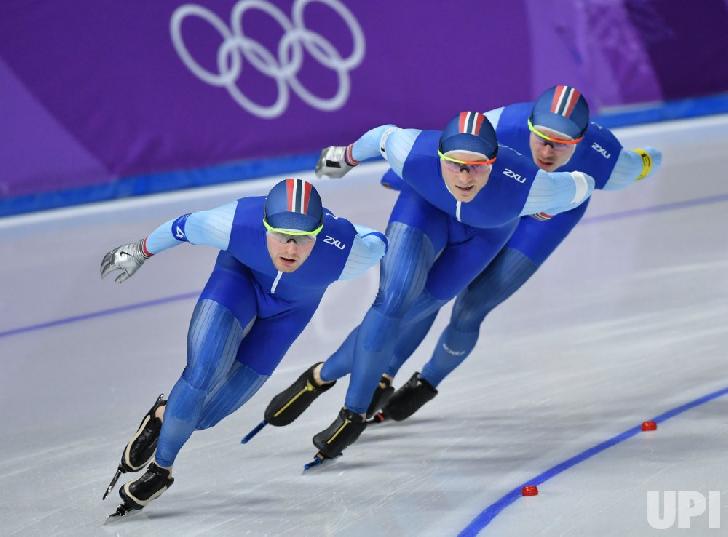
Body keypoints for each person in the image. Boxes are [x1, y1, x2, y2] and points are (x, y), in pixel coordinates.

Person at [256, 111, 597, 465]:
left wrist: (546, 209)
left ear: (493, 163)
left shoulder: (531, 185)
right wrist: (344, 156)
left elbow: (581, 185)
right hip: (424, 209)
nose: (465, 177)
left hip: (482, 236)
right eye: (455, 165)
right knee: (393, 302)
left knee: (410, 315)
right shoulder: (414, 151)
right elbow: (381, 134)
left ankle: (319, 377)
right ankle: (351, 413)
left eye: (476, 166)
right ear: (439, 158)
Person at [375, 85, 663, 422]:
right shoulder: (503, 123)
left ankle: (426, 384)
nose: (548, 150)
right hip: (494, 207)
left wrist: (652, 157)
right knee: (435, 289)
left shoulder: (606, 158)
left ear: (581, 140)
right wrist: (402, 172)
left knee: (472, 306)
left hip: (542, 223)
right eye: (541, 136)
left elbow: (641, 164)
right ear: (529, 125)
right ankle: (385, 375)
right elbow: (447, 148)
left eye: (563, 144)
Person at [99, 178, 387, 515]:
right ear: (264, 226)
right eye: (281, 236)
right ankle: (161, 470)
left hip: (288, 316)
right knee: (203, 372)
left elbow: (382, 242)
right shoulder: (235, 221)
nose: (290, 249)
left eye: (303, 240)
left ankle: (163, 414)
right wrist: (140, 250)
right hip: (237, 284)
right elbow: (182, 227)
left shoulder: (352, 248)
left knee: (208, 415)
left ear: (320, 232)